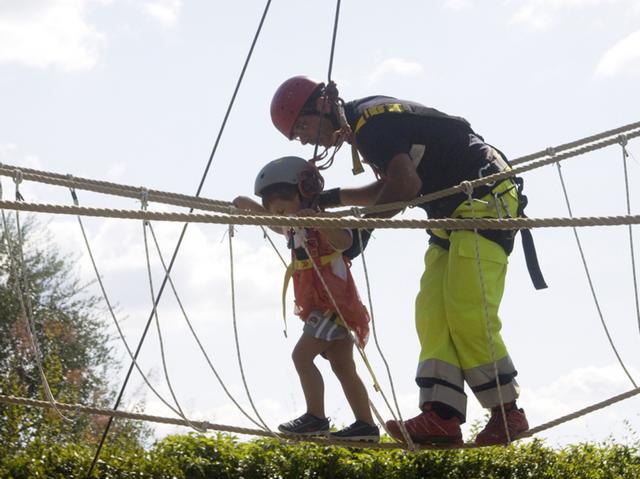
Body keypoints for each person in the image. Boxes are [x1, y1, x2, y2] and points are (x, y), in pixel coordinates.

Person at [269, 76, 547, 446]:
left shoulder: (371, 125)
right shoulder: (365, 125)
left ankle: (507, 411)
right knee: (431, 311)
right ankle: (441, 415)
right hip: (455, 214)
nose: (304, 139)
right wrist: (330, 200)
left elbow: (405, 186)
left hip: (484, 202)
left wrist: (361, 230)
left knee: (466, 310)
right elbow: (389, 187)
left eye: (301, 127)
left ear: (321, 106)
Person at [233, 155, 380, 442]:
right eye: (274, 209)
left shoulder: (322, 221)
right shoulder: (292, 225)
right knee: (342, 365)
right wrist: (245, 204)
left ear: (305, 196)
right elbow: (273, 225)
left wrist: (320, 221)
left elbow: (345, 242)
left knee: (301, 356)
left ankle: (315, 418)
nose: (280, 214)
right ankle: (366, 426)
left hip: (332, 306)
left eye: (284, 206)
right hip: (325, 307)